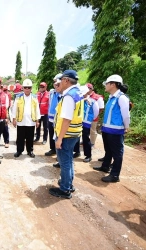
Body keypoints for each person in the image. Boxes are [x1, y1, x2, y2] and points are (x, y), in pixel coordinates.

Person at [49, 69, 83, 199]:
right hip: (74, 133)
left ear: (66, 80)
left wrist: (59, 138)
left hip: (67, 134)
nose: (59, 83)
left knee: (65, 162)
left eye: (61, 80)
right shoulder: (77, 93)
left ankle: (65, 189)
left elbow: (67, 119)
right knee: (68, 160)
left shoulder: (69, 96)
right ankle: (69, 184)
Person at [93, 75, 130, 183]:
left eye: (107, 83)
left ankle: (114, 175)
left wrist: (126, 127)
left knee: (117, 153)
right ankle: (105, 166)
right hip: (107, 129)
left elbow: (126, 115)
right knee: (108, 150)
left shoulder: (121, 98)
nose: (105, 86)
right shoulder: (111, 97)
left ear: (113, 84)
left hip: (115, 131)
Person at [11, 79, 40, 158]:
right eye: (25, 87)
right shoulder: (18, 97)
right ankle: (19, 151)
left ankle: (30, 151)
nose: (27, 89)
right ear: (22, 88)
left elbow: (37, 109)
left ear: (31, 88)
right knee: (20, 137)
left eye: (29, 87)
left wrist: (37, 120)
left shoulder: (34, 98)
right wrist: (14, 119)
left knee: (30, 137)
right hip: (21, 121)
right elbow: (15, 109)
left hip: (31, 121)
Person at [73, 86, 99, 162]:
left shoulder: (92, 101)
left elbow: (96, 112)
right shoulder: (79, 100)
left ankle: (88, 155)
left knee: (85, 138)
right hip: (78, 121)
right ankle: (77, 151)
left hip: (86, 122)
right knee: (76, 137)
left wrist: (90, 119)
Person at [45, 74, 62, 157]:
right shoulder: (52, 93)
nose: (55, 84)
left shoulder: (62, 94)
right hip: (50, 118)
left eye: (57, 82)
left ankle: (59, 153)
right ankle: (53, 149)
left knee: (58, 136)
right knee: (51, 134)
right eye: (54, 82)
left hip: (58, 119)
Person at [86, 83, 105, 150]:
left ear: (91, 89)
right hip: (85, 117)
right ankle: (86, 141)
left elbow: (101, 108)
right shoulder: (85, 95)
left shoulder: (98, 97)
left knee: (92, 130)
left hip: (93, 117)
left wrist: (94, 115)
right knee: (85, 130)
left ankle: (92, 142)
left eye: (87, 88)